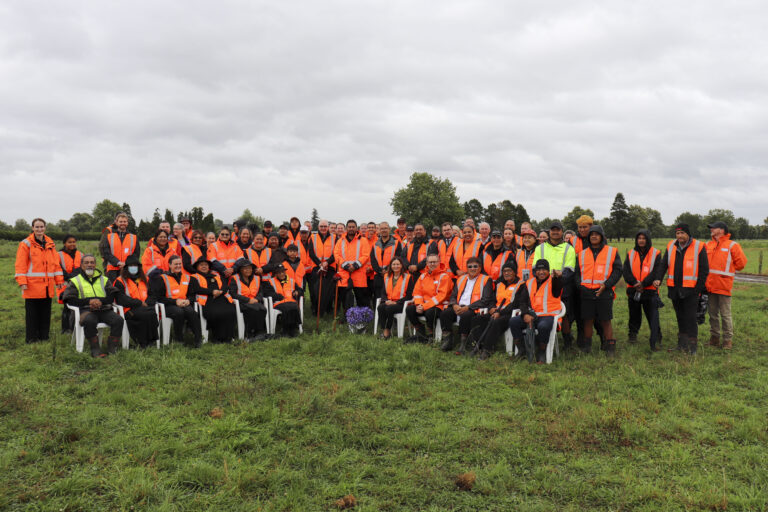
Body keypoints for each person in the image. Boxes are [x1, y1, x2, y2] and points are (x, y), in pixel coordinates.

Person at [655, 223, 709, 354]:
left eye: (682, 233)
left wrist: (697, 289)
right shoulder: (671, 245)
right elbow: (663, 264)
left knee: (691, 318)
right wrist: (658, 278)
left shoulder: (699, 246)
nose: (680, 236)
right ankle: (682, 344)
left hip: (691, 291)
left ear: (688, 234)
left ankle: (692, 347)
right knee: (680, 317)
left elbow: (704, 270)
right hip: (675, 289)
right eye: (677, 233)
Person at [62, 254, 124, 357]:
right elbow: (70, 299)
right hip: (84, 311)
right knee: (90, 320)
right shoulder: (75, 281)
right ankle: (95, 349)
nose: (89, 265)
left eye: (92, 262)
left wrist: (101, 301)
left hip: (103, 309)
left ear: (95, 265)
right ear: (81, 265)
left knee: (119, 320)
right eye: (86, 263)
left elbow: (112, 295)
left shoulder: (104, 279)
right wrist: (89, 301)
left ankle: (112, 348)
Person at [575, 225, 622, 356]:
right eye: (591, 234)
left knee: (606, 320)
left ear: (601, 236)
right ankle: (587, 346)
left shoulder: (612, 251)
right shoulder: (582, 254)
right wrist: (581, 287)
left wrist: (607, 285)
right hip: (586, 292)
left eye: (596, 234)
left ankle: (610, 346)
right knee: (587, 320)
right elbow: (577, 273)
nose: (594, 236)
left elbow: (618, 270)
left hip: (604, 291)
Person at [15, 218, 64, 343]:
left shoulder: (50, 243)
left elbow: (56, 264)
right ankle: (31, 339)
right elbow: (20, 264)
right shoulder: (26, 244)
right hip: (32, 286)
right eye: (37, 227)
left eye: (41, 227)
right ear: (32, 228)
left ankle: (44, 337)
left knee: (45, 313)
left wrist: (59, 281)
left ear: (45, 228)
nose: (39, 229)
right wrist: (22, 282)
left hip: (47, 286)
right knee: (32, 314)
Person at [509, 259, 563, 363]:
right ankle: (521, 350)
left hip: (549, 316)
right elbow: (522, 302)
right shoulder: (529, 283)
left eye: (544, 270)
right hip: (532, 315)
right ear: (535, 271)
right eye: (539, 270)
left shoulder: (554, 281)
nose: (541, 272)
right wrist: (525, 314)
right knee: (513, 321)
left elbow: (557, 287)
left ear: (548, 271)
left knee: (543, 326)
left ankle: (541, 353)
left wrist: (558, 277)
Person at [705, 221, 747, 350]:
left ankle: (727, 340)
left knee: (725, 314)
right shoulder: (708, 245)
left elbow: (741, 264)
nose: (711, 229)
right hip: (710, 286)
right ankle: (714, 338)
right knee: (712, 314)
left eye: (714, 228)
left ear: (722, 230)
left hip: (724, 286)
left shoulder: (732, 245)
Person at [439, 256, 494, 353]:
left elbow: (486, 300)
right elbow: (453, 295)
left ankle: (463, 343)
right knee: (445, 314)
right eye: (470, 266)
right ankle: (448, 340)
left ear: (480, 268)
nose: (472, 268)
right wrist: (454, 305)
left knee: (466, 315)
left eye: (475, 266)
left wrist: (468, 307)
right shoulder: (461, 279)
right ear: (467, 268)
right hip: (458, 306)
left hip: (474, 308)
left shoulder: (486, 280)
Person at [536, 221, 576, 350]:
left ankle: (567, 341)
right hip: (543, 287)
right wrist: (546, 278)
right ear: (549, 232)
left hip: (562, 285)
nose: (555, 232)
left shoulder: (569, 248)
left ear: (561, 232)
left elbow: (570, 269)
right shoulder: (540, 248)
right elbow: (535, 268)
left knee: (564, 315)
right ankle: (542, 338)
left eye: (557, 230)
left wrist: (560, 276)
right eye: (552, 230)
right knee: (542, 312)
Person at [471, 261, 522, 360]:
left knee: (495, 322)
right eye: (504, 271)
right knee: (477, 319)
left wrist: (500, 312)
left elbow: (515, 303)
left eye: (509, 271)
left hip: (509, 314)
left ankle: (488, 349)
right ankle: (479, 345)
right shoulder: (499, 284)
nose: (506, 273)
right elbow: (492, 299)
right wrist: (491, 308)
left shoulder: (520, 284)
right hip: (496, 311)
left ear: (514, 272)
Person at [623, 230, 663, 351]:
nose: (641, 240)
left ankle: (657, 336)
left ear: (648, 239)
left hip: (649, 290)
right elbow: (626, 271)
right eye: (639, 238)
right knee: (634, 315)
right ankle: (632, 335)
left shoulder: (656, 253)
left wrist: (644, 283)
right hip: (633, 290)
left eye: (644, 238)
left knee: (652, 316)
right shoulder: (630, 253)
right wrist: (634, 283)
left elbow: (656, 271)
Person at [151, 255, 203, 348]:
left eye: (180, 264)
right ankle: (179, 340)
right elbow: (159, 298)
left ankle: (198, 339)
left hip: (184, 304)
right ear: (170, 265)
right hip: (168, 305)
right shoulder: (162, 278)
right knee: (179, 312)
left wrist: (188, 300)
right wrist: (175, 302)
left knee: (192, 312)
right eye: (176, 264)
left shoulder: (187, 278)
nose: (178, 266)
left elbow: (192, 294)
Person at [405, 253, 452, 343]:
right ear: (426, 263)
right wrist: (418, 305)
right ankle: (420, 332)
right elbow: (417, 292)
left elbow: (441, 296)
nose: (432, 264)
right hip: (424, 305)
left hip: (439, 306)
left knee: (430, 313)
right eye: (430, 262)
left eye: (434, 262)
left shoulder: (444, 277)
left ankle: (431, 335)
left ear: (439, 262)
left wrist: (424, 306)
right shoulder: (423, 276)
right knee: (410, 309)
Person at [114, 256, 159, 349]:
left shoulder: (145, 279)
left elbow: (153, 295)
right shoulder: (120, 281)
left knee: (151, 314)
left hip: (145, 307)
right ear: (126, 267)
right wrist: (139, 303)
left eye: (135, 265)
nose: (133, 267)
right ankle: (141, 342)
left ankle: (150, 340)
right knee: (144, 315)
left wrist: (147, 302)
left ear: (139, 267)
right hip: (128, 309)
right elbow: (121, 299)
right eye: (131, 265)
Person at [189, 258, 236, 343]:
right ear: (197, 267)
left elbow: (225, 286)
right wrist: (212, 292)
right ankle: (217, 337)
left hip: (221, 298)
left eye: (206, 265)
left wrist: (220, 291)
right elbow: (197, 289)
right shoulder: (194, 277)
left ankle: (229, 337)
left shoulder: (216, 275)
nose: (204, 266)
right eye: (201, 265)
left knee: (230, 311)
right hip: (207, 301)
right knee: (216, 313)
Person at [334, 220, 371, 311]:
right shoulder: (340, 241)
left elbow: (366, 255)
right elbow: (336, 255)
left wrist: (355, 266)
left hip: (359, 274)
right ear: (346, 228)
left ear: (356, 228)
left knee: (361, 299)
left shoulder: (363, 240)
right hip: (344, 274)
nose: (351, 228)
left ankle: (362, 317)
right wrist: (346, 266)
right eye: (349, 227)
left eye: (353, 227)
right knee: (346, 300)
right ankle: (347, 317)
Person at [229, 259, 268, 341]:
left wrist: (257, 299)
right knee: (253, 310)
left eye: (250, 268)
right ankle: (250, 333)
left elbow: (261, 292)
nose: (248, 270)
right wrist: (247, 300)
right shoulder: (234, 278)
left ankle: (259, 332)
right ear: (241, 270)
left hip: (255, 301)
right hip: (242, 302)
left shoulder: (257, 278)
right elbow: (233, 294)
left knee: (262, 309)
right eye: (245, 268)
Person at [376, 257, 414, 339]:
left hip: (402, 304)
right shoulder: (386, 276)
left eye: (398, 264)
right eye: (393, 264)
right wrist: (386, 300)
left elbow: (409, 295)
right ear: (391, 266)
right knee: (380, 307)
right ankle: (384, 329)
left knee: (389, 309)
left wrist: (396, 302)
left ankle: (387, 332)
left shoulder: (408, 277)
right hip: (389, 302)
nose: (396, 266)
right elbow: (383, 292)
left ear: (401, 265)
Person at [263, 265, 302, 337]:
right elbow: (267, 293)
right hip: (279, 303)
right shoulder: (270, 282)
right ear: (276, 274)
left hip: (291, 301)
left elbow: (300, 290)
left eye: (283, 272)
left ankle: (292, 328)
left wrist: (297, 292)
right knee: (287, 308)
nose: (281, 274)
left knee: (294, 306)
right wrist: (279, 296)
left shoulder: (291, 281)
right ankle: (286, 329)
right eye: (279, 272)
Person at [100, 211, 140, 282]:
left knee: (128, 288)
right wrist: (117, 262)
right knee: (113, 288)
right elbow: (106, 252)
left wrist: (126, 263)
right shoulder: (109, 236)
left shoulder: (134, 237)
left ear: (127, 223)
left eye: (124, 221)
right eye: (120, 221)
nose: (123, 223)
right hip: (112, 270)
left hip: (128, 269)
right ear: (116, 222)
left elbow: (136, 254)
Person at [308, 219, 337, 315]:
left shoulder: (334, 238)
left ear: (328, 227)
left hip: (330, 267)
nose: (323, 228)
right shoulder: (313, 237)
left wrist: (327, 263)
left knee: (329, 290)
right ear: (318, 227)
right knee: (316, 289)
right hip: (317, 267)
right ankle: (316, 309)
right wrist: (319, 264)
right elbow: (311, 253)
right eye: (321, 226)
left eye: (325, 226)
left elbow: (336, 253)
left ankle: (328, 309)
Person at [370, 222, 402, 304]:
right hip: (378, 275)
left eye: (385, 228)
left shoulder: (396, 243)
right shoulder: (375, 244)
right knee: (377, 297)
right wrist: (379, 271)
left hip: (392, 274)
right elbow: (373, 259)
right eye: (382, 229)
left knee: (390, 296)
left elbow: (398, 257)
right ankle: (377, 311)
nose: (383, 230)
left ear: (389, 229)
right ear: (379, 230)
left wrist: (388, 269)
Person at [57, 234, 83, 334]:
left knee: (75, 306)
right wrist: (68, 276)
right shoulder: (58, 255)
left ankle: (73, 327)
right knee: (66, 306)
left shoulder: (81, 255)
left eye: (74, 242)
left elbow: (82, 268)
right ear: (64, 243)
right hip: (64, 284)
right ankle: (65, 328)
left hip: (77, 284)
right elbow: (57, 268)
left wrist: (71, 276)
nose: (72, 244)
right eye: (69, 242)